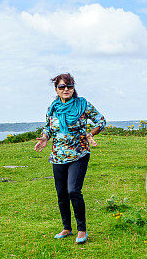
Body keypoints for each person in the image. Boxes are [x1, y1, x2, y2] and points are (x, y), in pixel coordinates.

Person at [34, 73, 106, 244]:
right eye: (62, 87)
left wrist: (90, 133)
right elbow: (49, 127)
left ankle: (82, 230)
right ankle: (67, 228)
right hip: (58, 155)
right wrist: (44, 137)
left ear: (74, 88)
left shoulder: (83, 105)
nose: (66, 89)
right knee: (61, 194)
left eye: (69, 86)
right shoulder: (53, 108)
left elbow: (100, 121)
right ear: (56, 89)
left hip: (79, 153)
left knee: (73, 190)